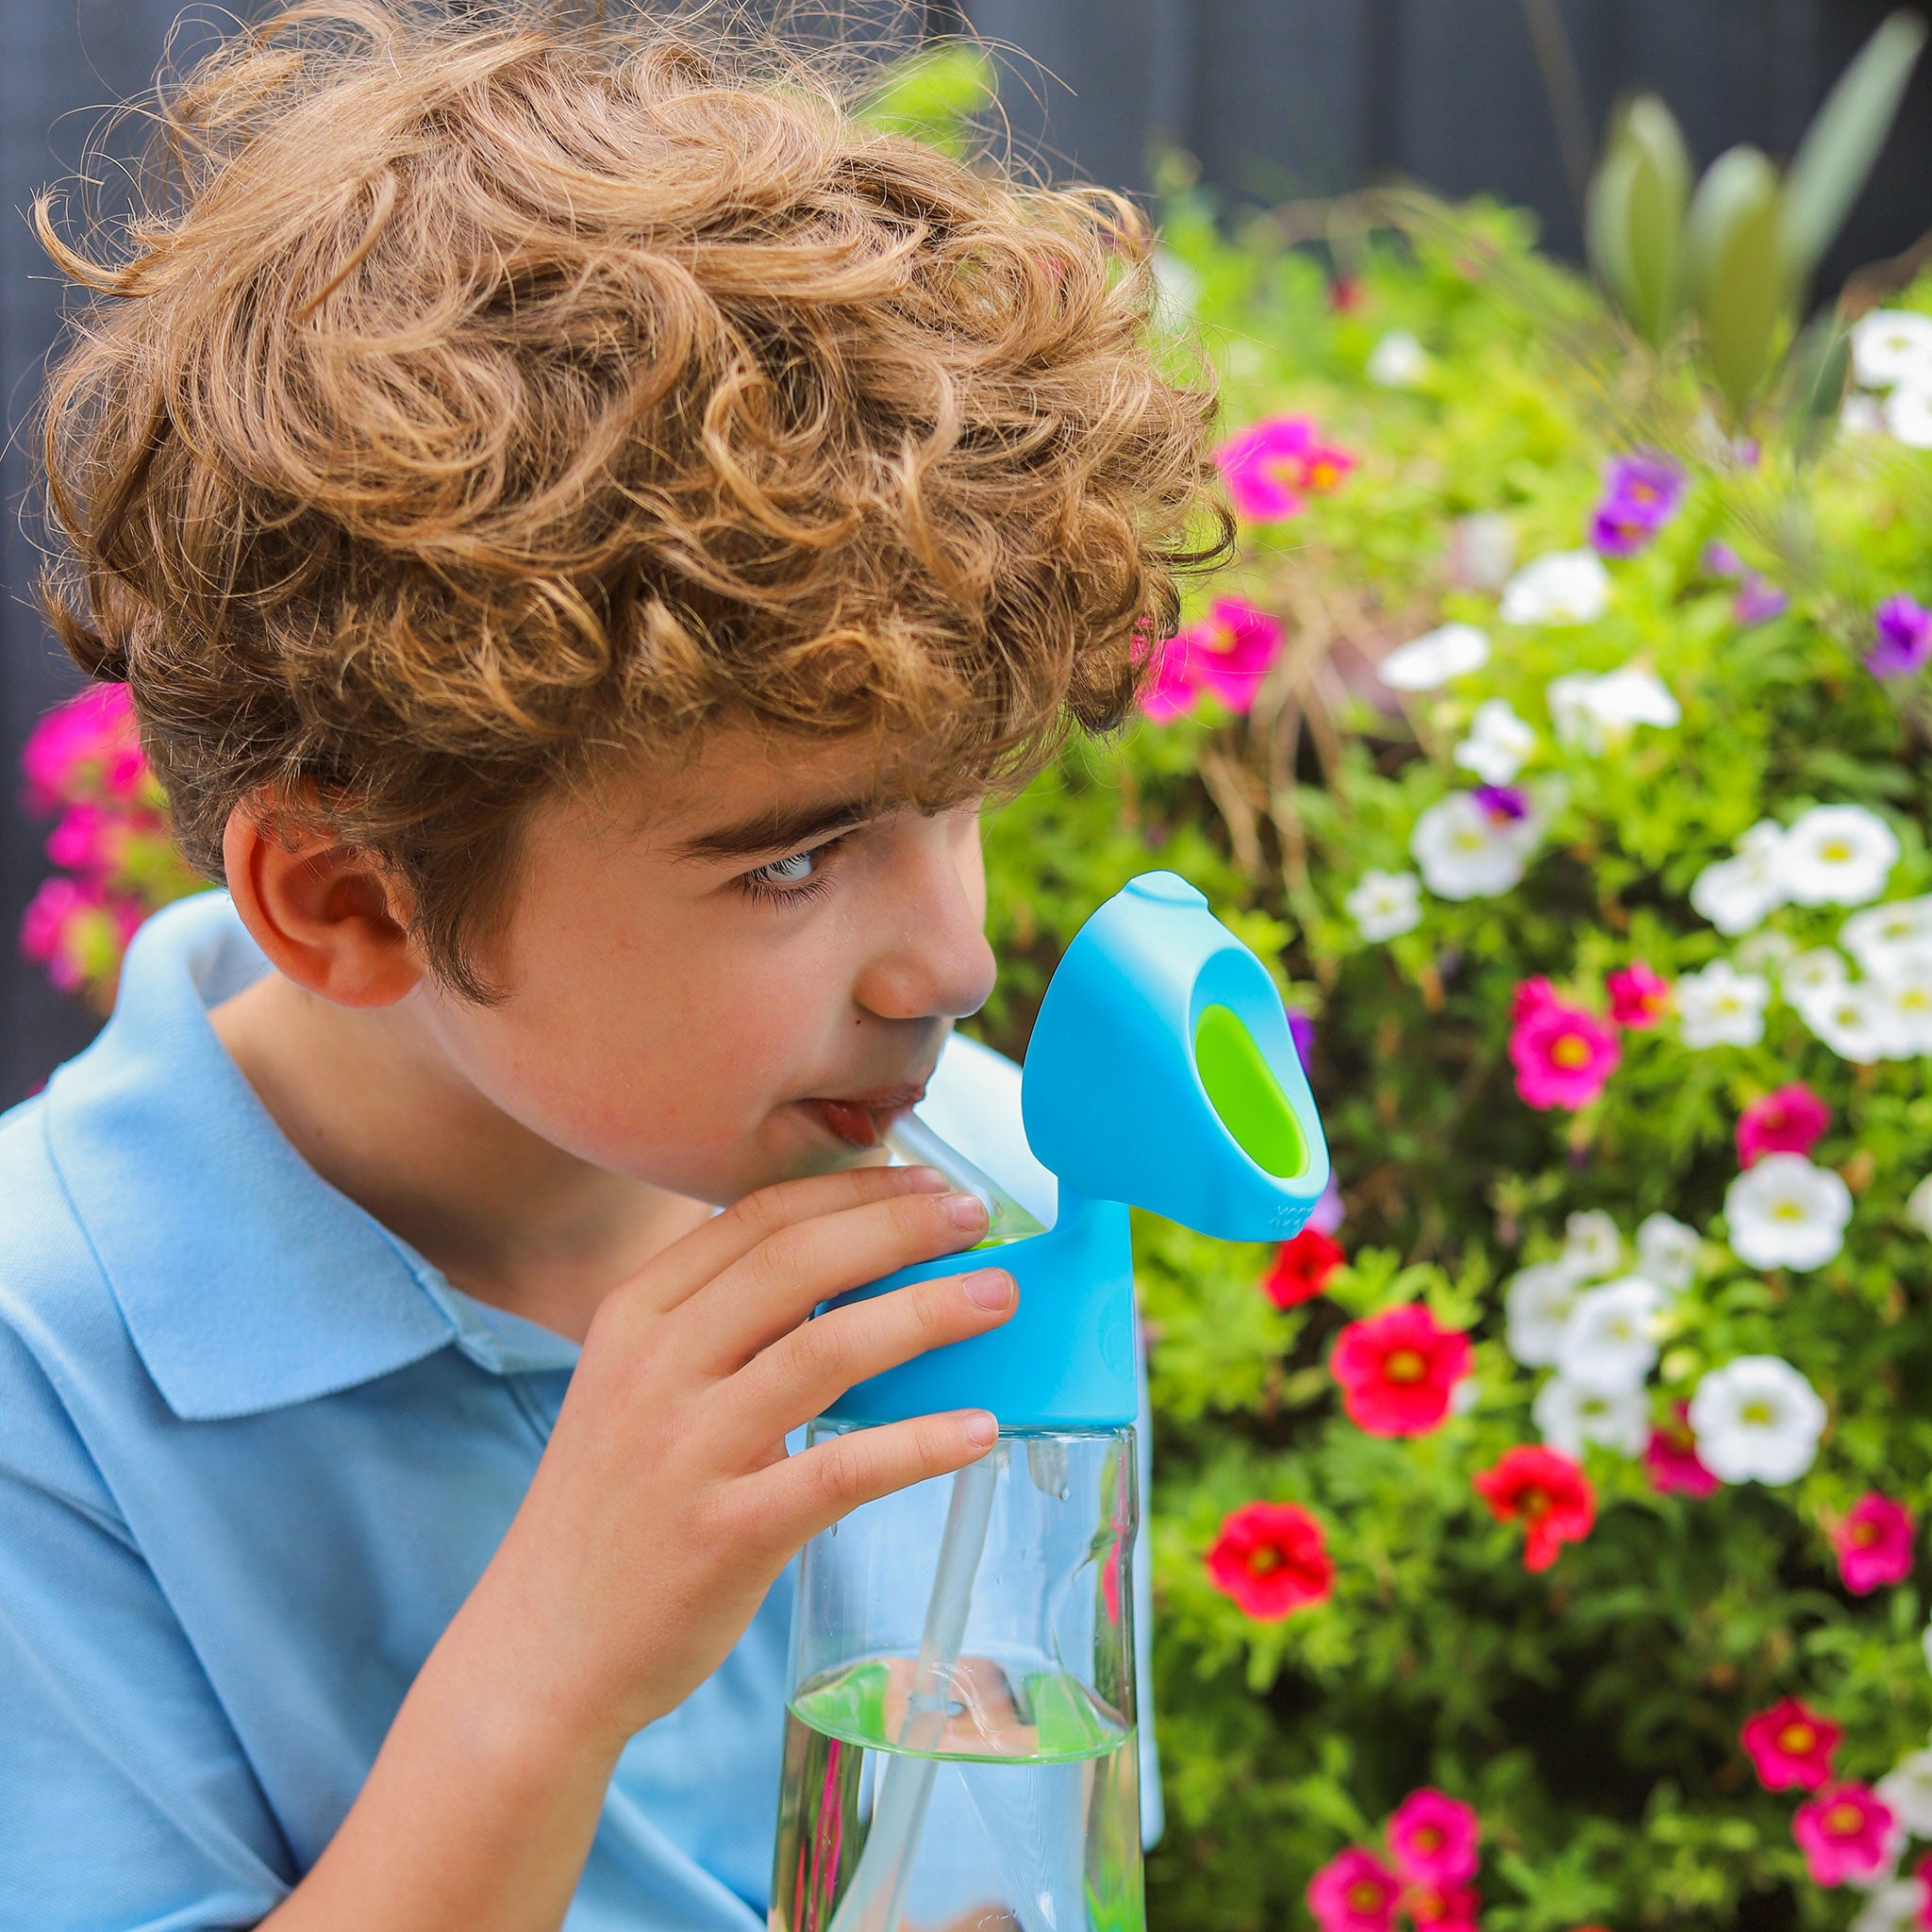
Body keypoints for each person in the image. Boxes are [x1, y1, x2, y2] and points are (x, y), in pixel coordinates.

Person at [0, 5, 1225, 1926]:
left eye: (960, 802)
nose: (954, 963)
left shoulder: (975, 1196)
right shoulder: (42, 1370)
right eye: (798, 859)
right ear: (349, 900)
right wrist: (552, 1666)